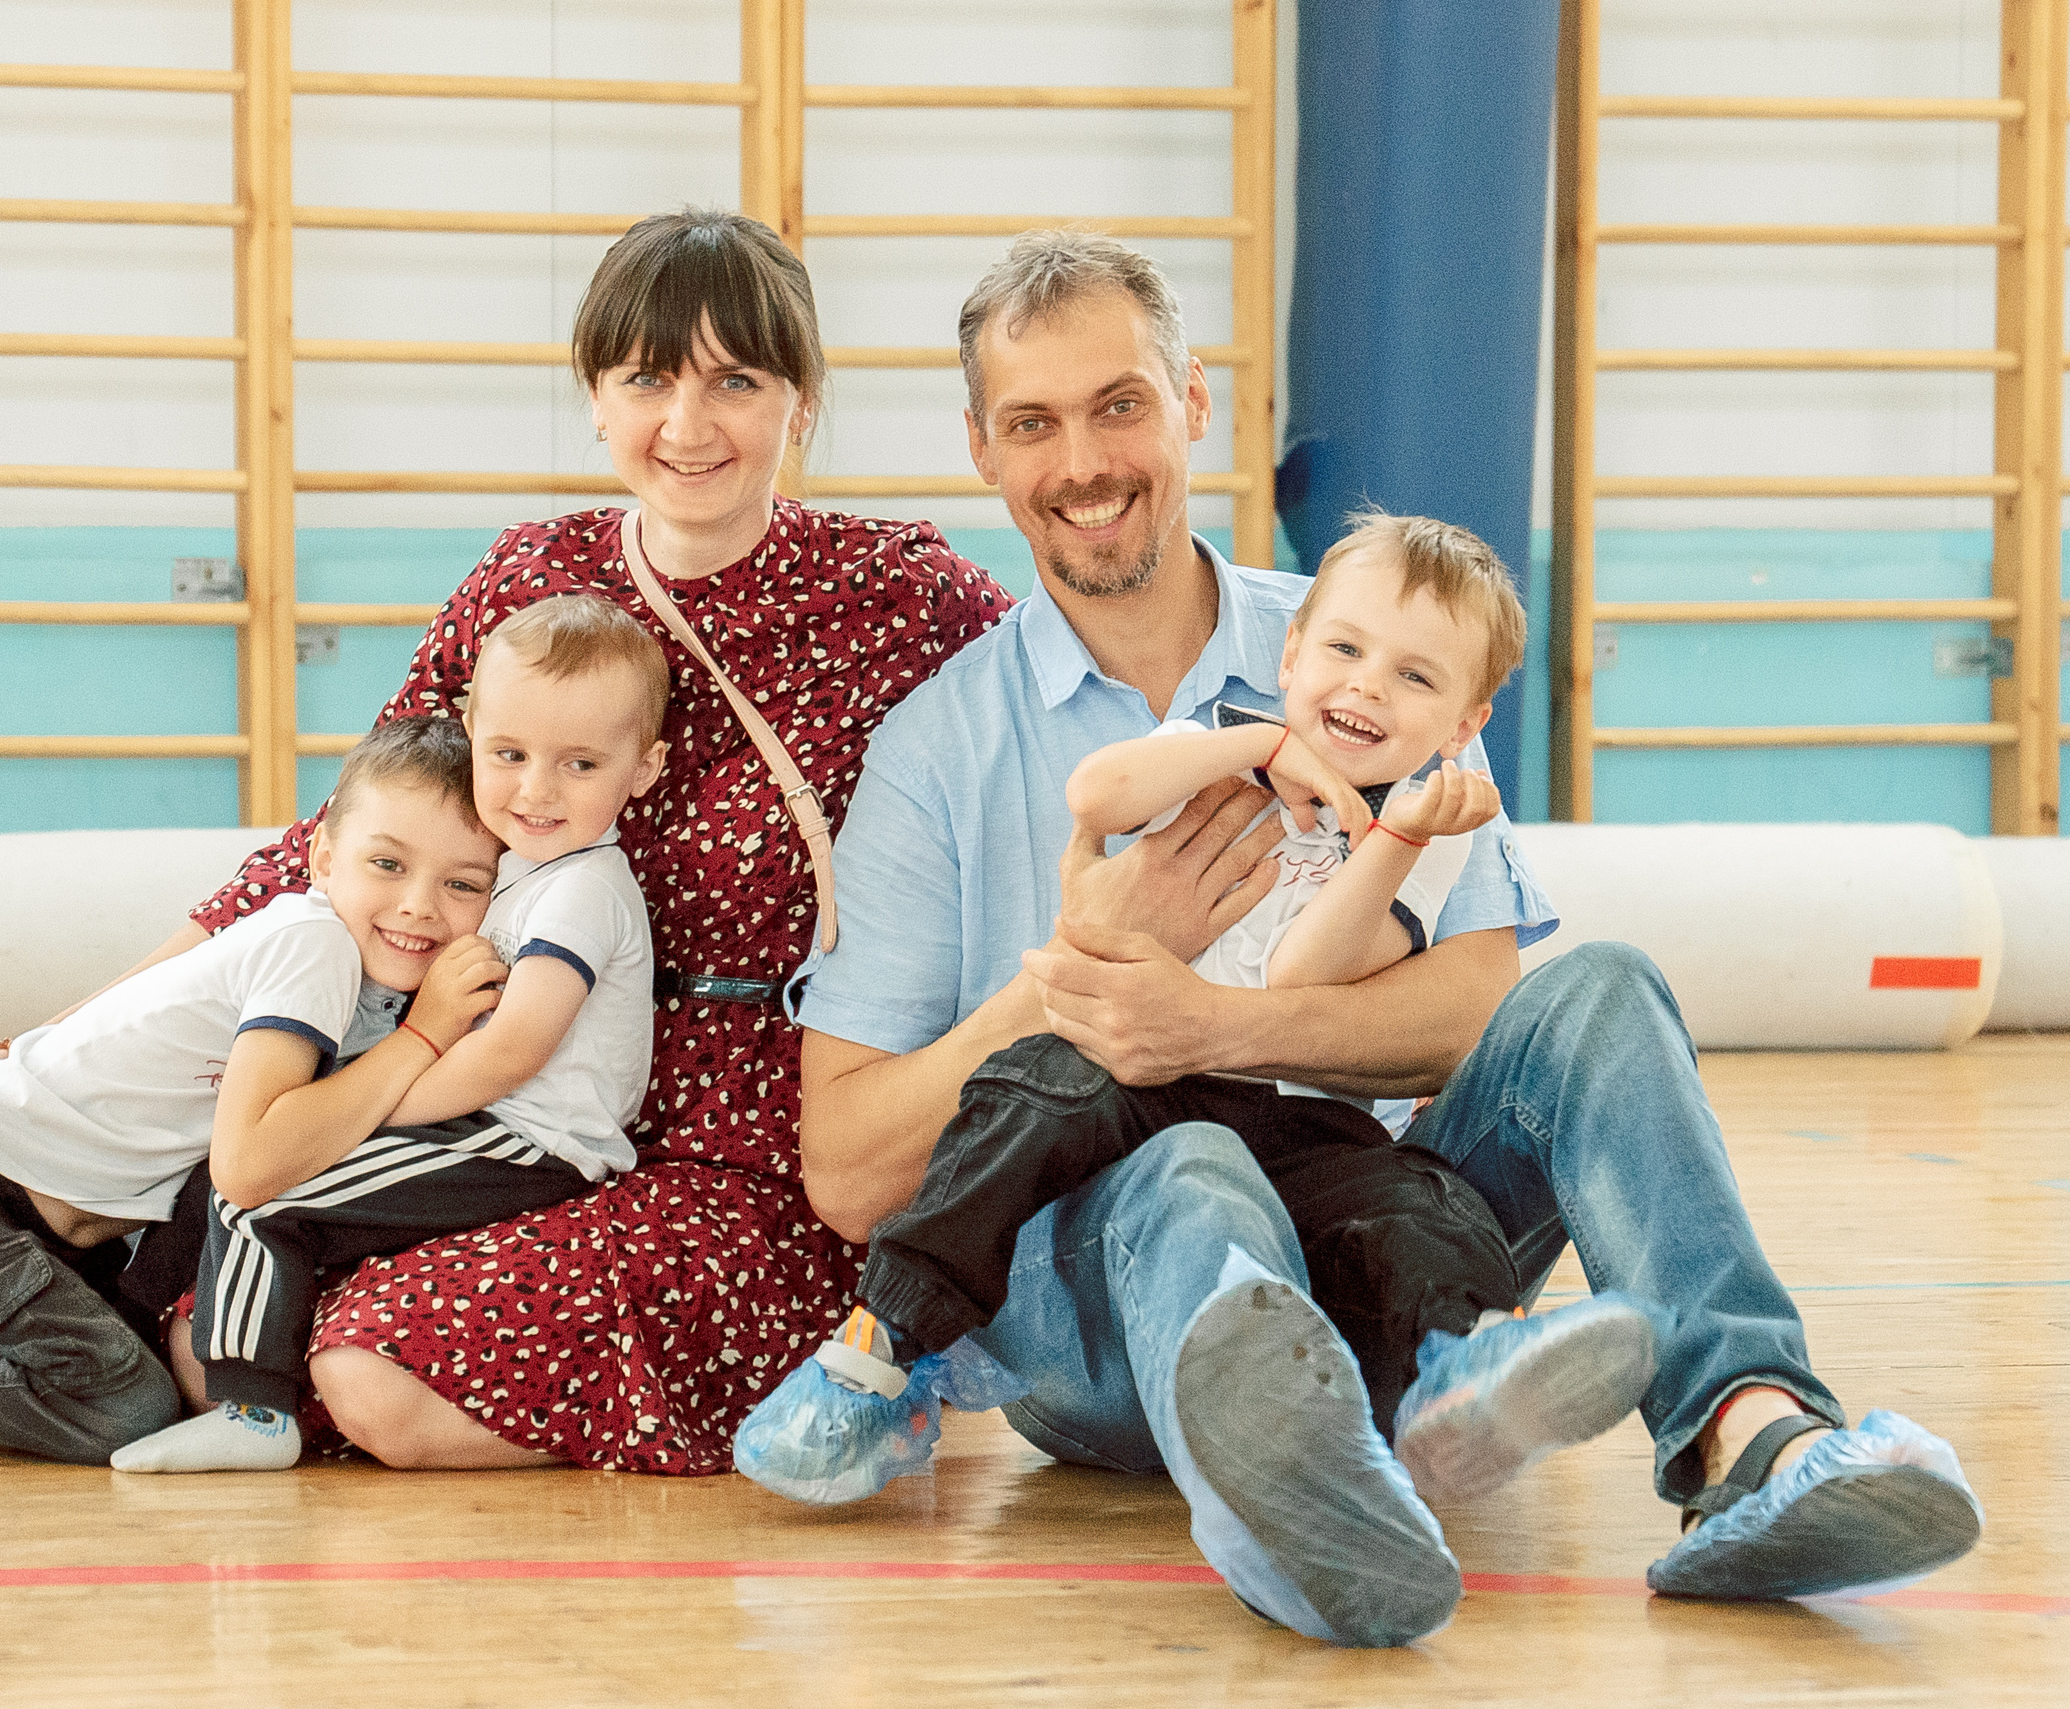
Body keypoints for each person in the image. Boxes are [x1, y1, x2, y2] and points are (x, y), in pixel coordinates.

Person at [787, 230, 1981, 1647]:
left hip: (1377, 1223)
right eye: (1035, 422)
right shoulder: (937, 749)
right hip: (1103, 1298)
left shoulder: (1366, 640)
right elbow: (853, 1171)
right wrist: (1076, 989)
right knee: (1191, 1154)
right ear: (983, 448)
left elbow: (1481, 998)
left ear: (1195, 404)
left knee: (1601, 990)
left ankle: (1754, 1436)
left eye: (1121, 404)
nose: (1086, 459)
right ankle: (1288, 1500)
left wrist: (1217, 1029)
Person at [0, 208, 1012, 1475]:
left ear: (801, 402)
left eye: (735, 381)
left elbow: (1048, 756)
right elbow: (348, 837)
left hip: (756, 1149)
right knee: (213, 1338)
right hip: (492, 1108)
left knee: (371, 1373)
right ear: (595, 397)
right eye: (647, 377)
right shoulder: (527, 583)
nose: (687, 425)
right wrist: (87, 1016)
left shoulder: (905, 595)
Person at [736, 513, 1660, 1509]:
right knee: (1035, 1089)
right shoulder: (1218, 740)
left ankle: (1459, 1372)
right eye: (1343, 651)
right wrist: (1256, 749)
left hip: (1299, 1123)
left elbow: (1308, 966)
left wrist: (1386, 836)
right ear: (1291, 653)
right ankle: (885, 1345)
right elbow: (1098, 790)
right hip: (1133, 1091)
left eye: (1414, 678)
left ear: (1462, 724)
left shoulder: (1430, 830)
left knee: (1407, 1204)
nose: (1365, 687)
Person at [0, 715, 513, 1464]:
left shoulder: (370, 988)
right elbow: (250, 1164)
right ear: (324, 859)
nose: (419, 906)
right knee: (123, 1406)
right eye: (387, 863)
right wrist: (424, 1037)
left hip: (26, 1224)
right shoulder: (311, 943)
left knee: (125, 1377)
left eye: (463, 884)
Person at [114, 598, 669, 1473]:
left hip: (531, 1141)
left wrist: (377, 1102)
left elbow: (514, 1049)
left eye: (581, 764)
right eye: (510, 755)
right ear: (471, 731)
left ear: (643, 769)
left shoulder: (585, 887)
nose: (536, 789)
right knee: (222, 1176)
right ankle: (117, 1330)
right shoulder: (516, 862)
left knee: (271, 1194)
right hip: (478, 1122)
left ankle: (255, 1411)